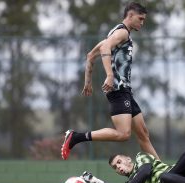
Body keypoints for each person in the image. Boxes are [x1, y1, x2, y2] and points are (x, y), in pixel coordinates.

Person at [61, 2, 159, 160]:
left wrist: (87, 82)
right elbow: (105, 48)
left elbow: (91, 55)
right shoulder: (122, 33)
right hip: (118, 91)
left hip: (125, 91)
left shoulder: (114, 33)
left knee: (143, 135)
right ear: (130, 15)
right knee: (123, 134)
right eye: (140, 18)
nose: (142, 22)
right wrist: (110, 75)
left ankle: (162, 172)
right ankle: (76, 137)